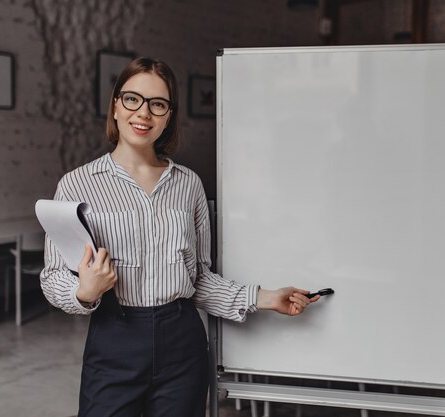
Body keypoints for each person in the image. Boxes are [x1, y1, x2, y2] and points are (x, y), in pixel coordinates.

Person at [40, 57, 319, 417]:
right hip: (114, 338)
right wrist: (85, 291)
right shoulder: (77, 184)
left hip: (183, 343)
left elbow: (200, 279)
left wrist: (267, 298)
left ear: (168, 115)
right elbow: (52, 277)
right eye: (132, 99)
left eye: (158, 104)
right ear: (115, 104)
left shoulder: (188, 185)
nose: (144, 114)